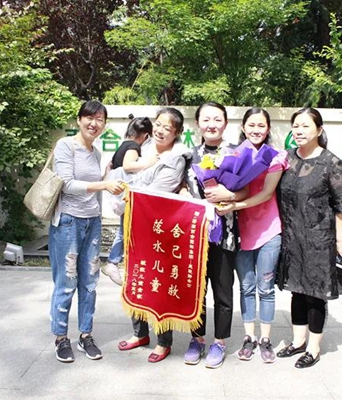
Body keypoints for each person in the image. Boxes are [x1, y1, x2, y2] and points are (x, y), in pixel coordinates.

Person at [275, 107, 342, 368]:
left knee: (315, 294)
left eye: (305, 126)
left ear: (319, 130)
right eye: (296, 126)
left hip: (319, 240)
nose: (299, 130)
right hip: (292, 238)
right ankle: (298, 342)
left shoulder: (332, 164)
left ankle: (314, 347)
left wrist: (341, 242)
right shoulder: (286, 158)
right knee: (296, 291)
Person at [49, 100, 125, 363]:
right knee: (66, 282)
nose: (94, 123)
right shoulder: (66, 145)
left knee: (90, 283)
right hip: (68, 222)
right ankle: (61, 338)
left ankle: (86, 335)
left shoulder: (95, 152)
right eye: (89, 118)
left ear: (104, 124)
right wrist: (103, 185)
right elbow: (67, 185)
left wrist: (107, 182)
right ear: (79, 119)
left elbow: (94, 189)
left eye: (100, 119)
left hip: (92, 222)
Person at [116, 107, 190, 363]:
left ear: (177, 133)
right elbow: (120, 172)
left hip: (158, 228)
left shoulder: (176, 158)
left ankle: (163, 341)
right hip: (133, 222)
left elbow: (157, 191)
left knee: (159, 283)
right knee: (135, 278)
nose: (160, 130)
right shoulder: (144, 148)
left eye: (167, 128)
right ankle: (140, 333)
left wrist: (128, 189)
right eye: (158, 124)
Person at [216, 108, 289, 363]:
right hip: (240, 232)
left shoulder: (276, 156)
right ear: (243, 127)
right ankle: (249, 337)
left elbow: (267, 194)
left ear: (268, 129)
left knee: (265, 288)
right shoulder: (232, 155)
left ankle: (266, 339)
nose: (256, 130)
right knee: (246, 287)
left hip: (269, 230)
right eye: (251, 125)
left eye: (261, 126)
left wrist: (235, 205)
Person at [180, 101, 244, 369]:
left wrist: (230, 194)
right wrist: (184, 192)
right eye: (206, 119)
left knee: (223, 290)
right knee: (196, 291)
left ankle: (219, 341)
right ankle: (197, 339)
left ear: (225, 123)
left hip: (225, 233)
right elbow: (179, 186)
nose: (211, 125)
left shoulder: (237, 155)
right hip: (195, 236)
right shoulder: (188, 156)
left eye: (217, 119)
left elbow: (248, 190)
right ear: (197, 124)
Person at [101, 115, 157, 286]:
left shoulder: (122, 146)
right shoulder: (133, 146)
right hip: (128, 197)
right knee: (126, 231)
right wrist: (150, 162)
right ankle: (113, 262)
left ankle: (115, 263)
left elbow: (110, 167)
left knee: (125, 229)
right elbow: (128, 166)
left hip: (121, 197)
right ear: (145, 136)